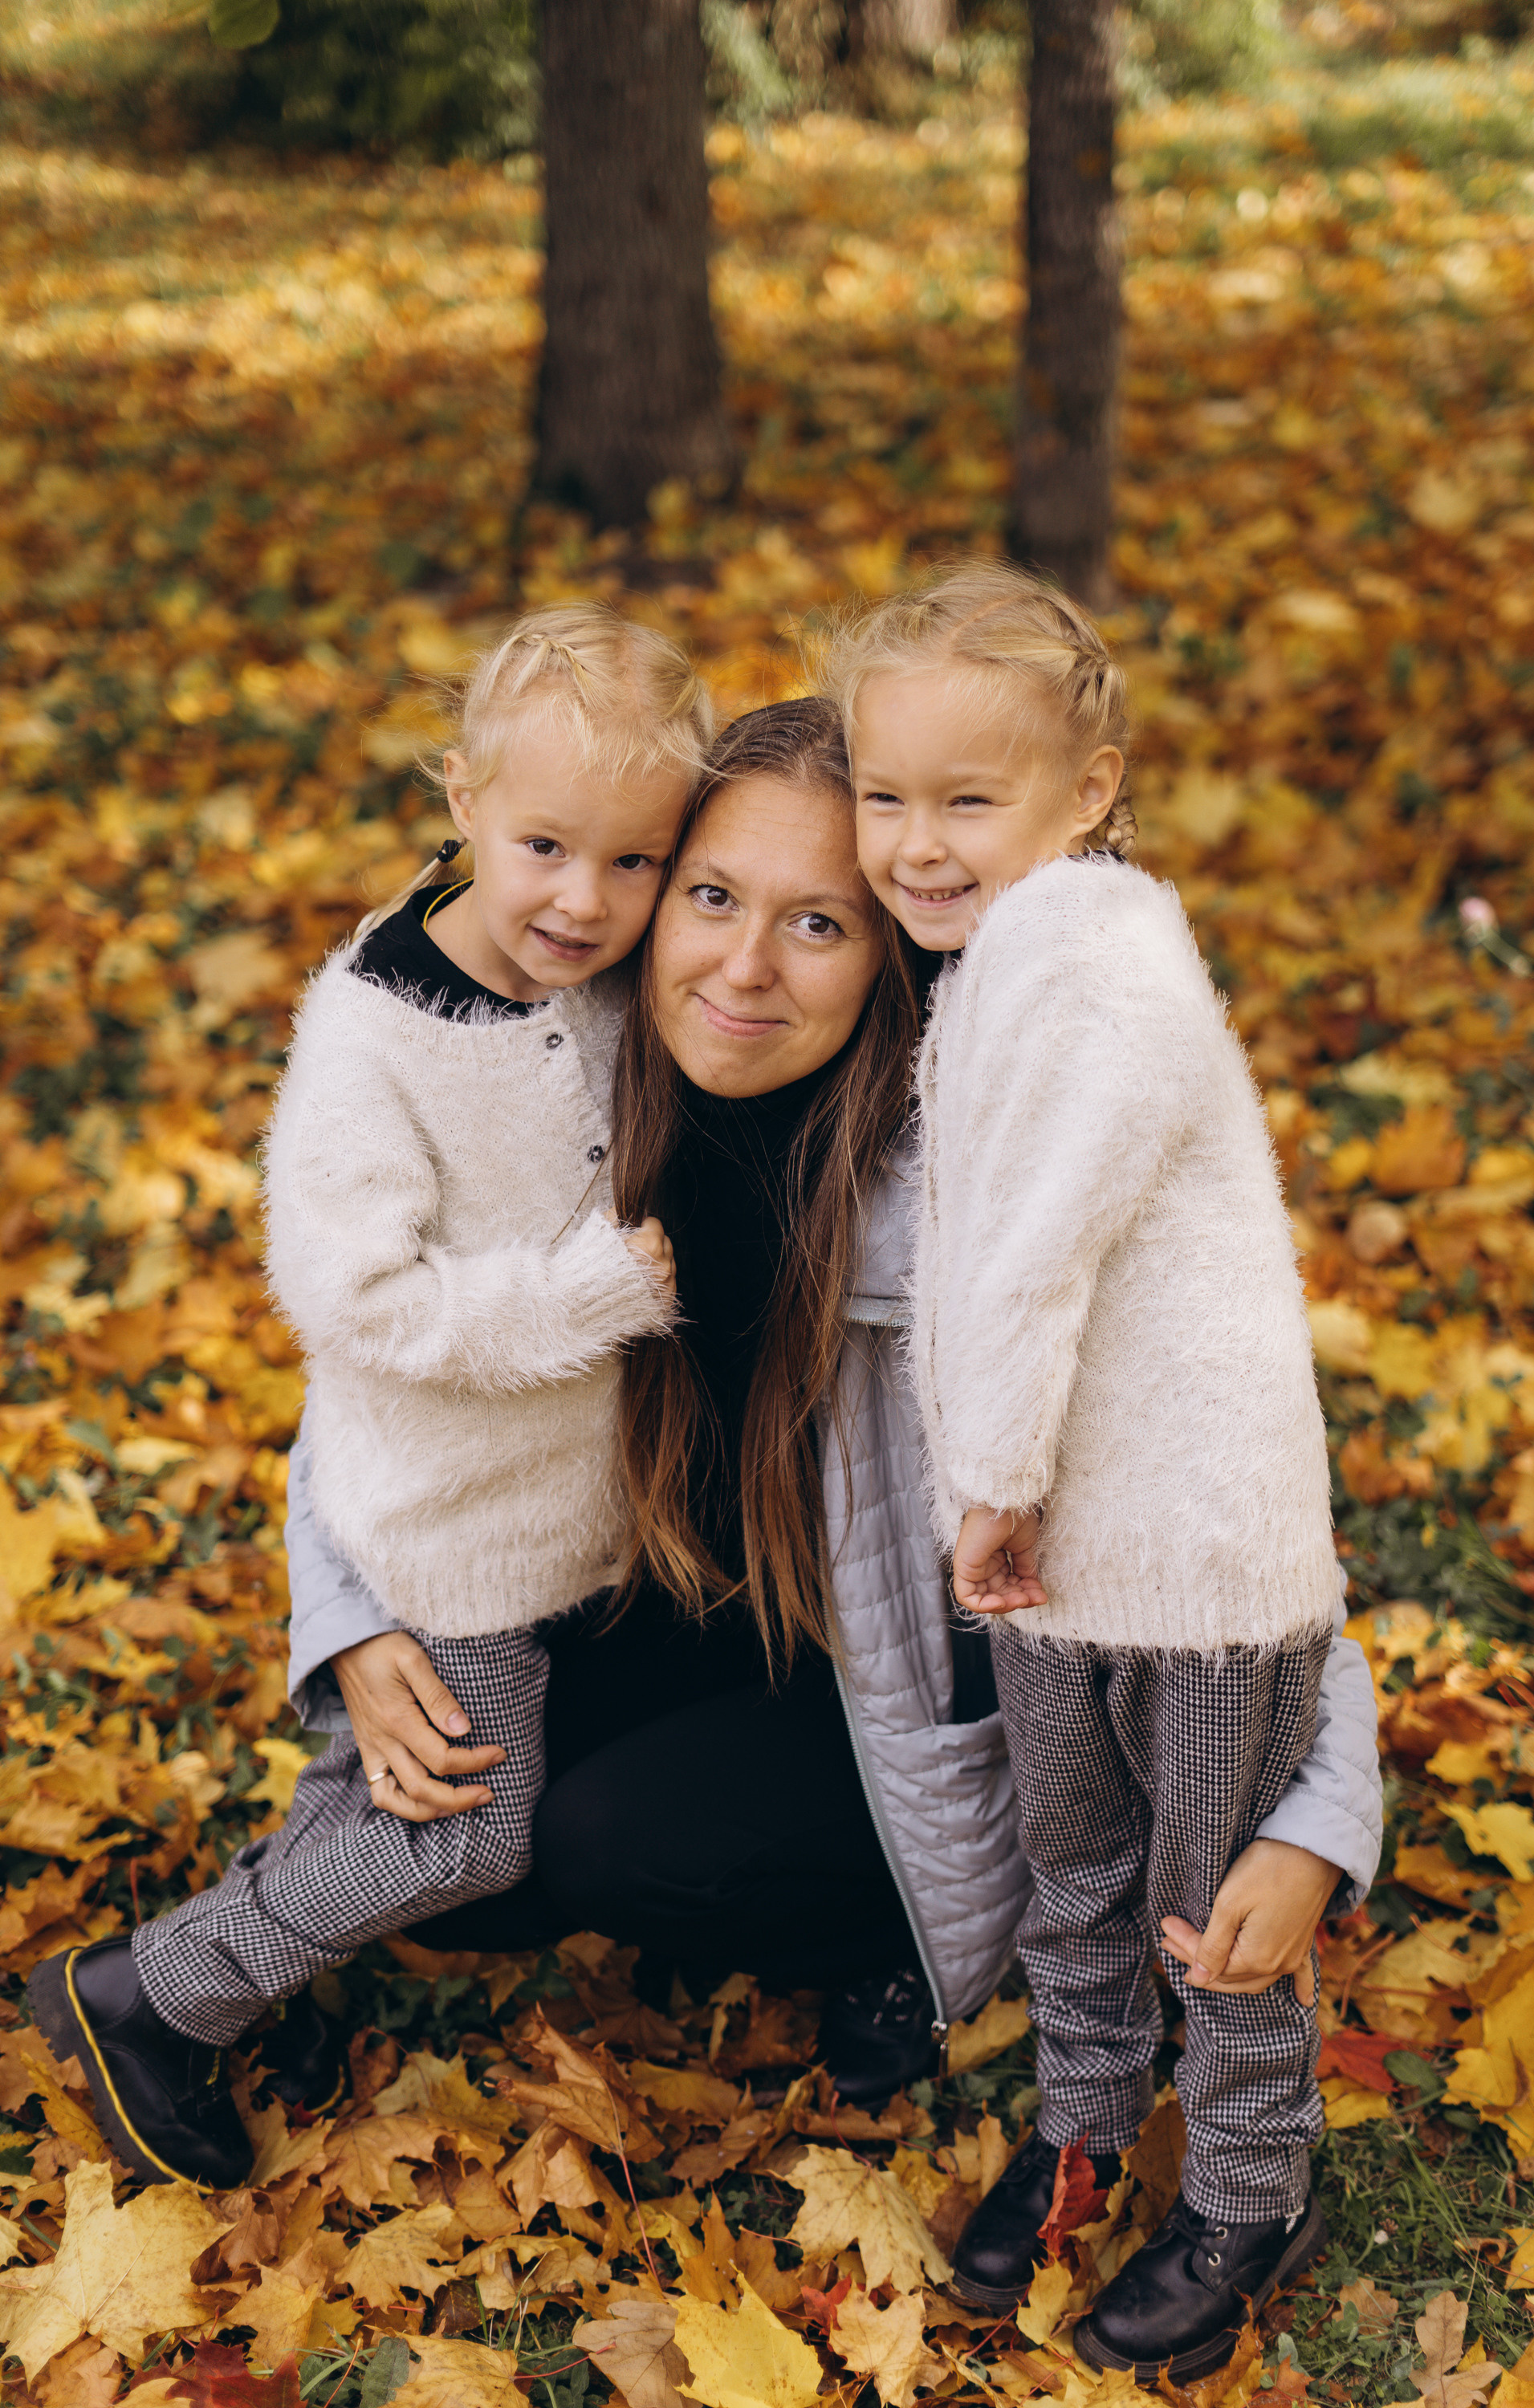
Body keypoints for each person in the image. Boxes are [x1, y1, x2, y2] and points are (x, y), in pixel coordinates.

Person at [279, 700, 1381, 2130]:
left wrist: (1316, 1823)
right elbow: (391, 1363)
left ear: (891, 959)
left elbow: (1236, 1513)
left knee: (604, 1846)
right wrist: (351, 1618)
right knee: (457, 1837)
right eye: (713, 897)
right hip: (670, 1602)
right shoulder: (586, 1088)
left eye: (818, 926)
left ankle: (879, 1946)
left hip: (901, 1698)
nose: (743, 967)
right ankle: (225, 1978)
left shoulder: (975, 1203)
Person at [29, 604, 708, 2191]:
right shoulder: (372, 1041)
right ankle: (148, 1997)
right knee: (470, 1824)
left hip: (572, 1511)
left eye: (632, 862)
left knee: (393, 1792)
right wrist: (600, 1292)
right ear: (461, 798)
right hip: (450, 1527)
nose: (585, 899)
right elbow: (359, 1303)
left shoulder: (599, 977)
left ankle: (280, 1946)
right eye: (544, 844)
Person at [827, 560, 1369, 2378]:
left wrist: (988, 1473)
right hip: (1063, 1549)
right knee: (1074, 1861)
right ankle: (1080, 2116)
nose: (913, 845)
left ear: (1092, 788)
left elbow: (1038, 1239)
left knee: (1206, 1901)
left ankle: (1243, 2176)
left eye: (966, 801)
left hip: (1189, 1552)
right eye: (882, 795)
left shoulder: (1094, 950)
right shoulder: (1001, 962)